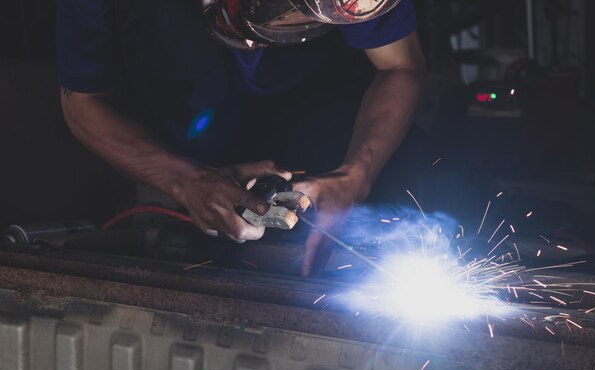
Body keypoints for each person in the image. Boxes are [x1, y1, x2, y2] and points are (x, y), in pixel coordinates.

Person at [56, 0, 426, 275]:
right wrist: (185, 180)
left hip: (322, 129)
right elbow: (83, 105)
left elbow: (400, 65)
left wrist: (357, 176)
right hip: (178, 148)